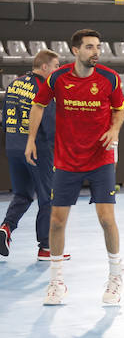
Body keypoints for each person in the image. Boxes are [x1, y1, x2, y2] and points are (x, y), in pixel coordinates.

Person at [25, 29, 124, 306]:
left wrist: (115, 130)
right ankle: (56, 282)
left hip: (100, 159)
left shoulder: (109, 78)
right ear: (75, 51)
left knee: (106, 219)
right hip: (67, 160)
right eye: (90, 47)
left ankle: (116, 276)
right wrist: (31, 139)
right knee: (57, 221)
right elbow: (38, 105)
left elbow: (120, 110)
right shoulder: (58, 78)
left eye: (98, 47)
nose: (96, 51)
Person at [1, 50, 70, 261]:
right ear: (45, 67)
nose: (58, 70)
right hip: (36, 149)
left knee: (23, 193)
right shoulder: (44, 89)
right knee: (48, 196)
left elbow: (4, 117)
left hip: (13, 146)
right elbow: (48, 125)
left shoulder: (14, 84)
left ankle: (6, 227)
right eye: (56, 66)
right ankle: (46, 247)